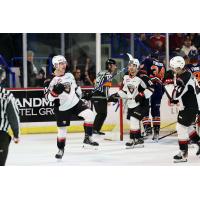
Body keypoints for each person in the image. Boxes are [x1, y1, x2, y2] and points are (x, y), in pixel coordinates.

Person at [44, 55, 99, 160]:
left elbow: (76, 88)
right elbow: (48, 98)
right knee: (62, 130)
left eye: (64, 63)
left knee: (90, 115)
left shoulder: (69, 75)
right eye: (60, 63)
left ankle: (88, 138)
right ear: (55, 65)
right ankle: (60, 149)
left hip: (75, 102)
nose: (63, 65)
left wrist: (84, 95)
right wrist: (55, 92)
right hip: (62, 108)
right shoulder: (50, 80)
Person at [109, 58, 154, 148]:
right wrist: (116, 95)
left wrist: (141, 94)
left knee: (134, 119)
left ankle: (132, 139)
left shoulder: (142, 76)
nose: (131, 68)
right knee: (133, 121)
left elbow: (151, 88)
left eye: (134, 66)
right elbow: (125, 91)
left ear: (137, 67)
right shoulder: (126, 76)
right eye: (130, 66)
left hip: (142, 103)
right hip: (131, 103)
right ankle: (138, 139)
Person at [164, 56, 200, 162]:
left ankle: (183, 154)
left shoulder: (185, 77)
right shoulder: (185, 74)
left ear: (179, 67)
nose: (172, 70)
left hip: (190, 107)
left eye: (173, 68)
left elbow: (174, 95)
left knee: (180, 127)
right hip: (189, 106)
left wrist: (167, 84)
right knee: (188, 127)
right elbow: (180, 94)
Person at [140, 51, 166, 141]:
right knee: (156, 111)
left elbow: (141, 71)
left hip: (149, 88)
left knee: (145, 108)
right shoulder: (163, 64)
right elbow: (164, 80)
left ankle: (147, 130)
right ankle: (156, 133)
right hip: (159, 89)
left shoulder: (148, 60)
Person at [90, 58, 117, 135]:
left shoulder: (100, 72)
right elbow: (105, 88)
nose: (115, 67)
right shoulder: (108, 75)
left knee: (101, 113)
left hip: (95, 95)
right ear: (110, 65)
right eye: (114, 65)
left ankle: (95, 129)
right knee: (102, 113)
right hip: (100, 96)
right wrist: (107, 98)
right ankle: (94, 129)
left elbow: (95, 83)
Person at [0, 66, 20, 166]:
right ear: (2, 77)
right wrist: (16, 135)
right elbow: (13, 117)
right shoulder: (6, 95)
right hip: (1, 135)